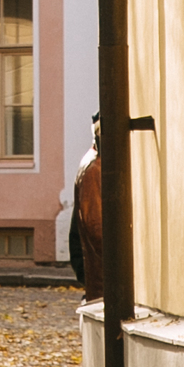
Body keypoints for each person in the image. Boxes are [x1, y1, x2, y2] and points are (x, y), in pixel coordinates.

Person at [68, 112, 104, 301]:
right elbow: (97, 230)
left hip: (96, 275)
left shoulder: (94, 162)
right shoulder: (96, 168)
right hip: (102, 279)